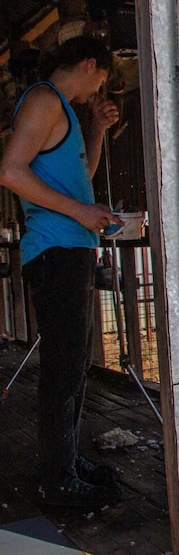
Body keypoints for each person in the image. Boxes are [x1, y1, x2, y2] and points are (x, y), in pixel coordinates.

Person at [0, 36, 124, 507]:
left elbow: (80, 177)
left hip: (70, 251)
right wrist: (78, 212)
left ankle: (67, 462)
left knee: (73, 367)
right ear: (91, 63)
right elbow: (10, 171)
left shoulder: (66, 111)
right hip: (53, 252)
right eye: (102, 80)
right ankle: (56, 479)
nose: (100, 89)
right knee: (61, 369)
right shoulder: (44, 99)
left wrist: (95, 129)